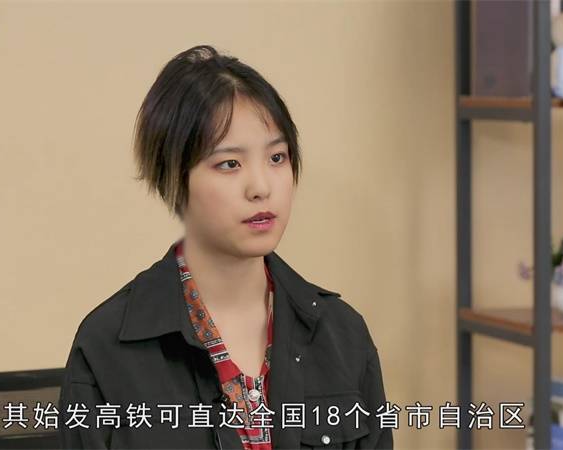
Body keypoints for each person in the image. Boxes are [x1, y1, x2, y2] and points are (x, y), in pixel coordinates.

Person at [58, 44, 393, 450]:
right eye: (230, 164)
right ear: (174, 179)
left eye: (277, 157)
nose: (261, 187)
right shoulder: (109, 344)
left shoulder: (341, 333)